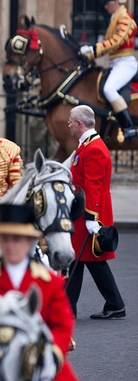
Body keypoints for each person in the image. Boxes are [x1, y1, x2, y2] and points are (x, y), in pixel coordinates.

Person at [0, 203, 78, 381]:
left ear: (28, 242)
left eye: (16, 239)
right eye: (5, 239)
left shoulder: (50, 283)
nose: (10, 245)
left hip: (38, 361)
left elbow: (62, 326)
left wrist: (49, 357)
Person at [65, 105, 125, 319]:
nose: (69, 124)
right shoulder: (87, 146)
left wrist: (92, 219)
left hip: (88, 216)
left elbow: (93, 187)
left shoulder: (94, 149)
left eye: (71, 121)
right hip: (83, 215)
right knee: (87, 261)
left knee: (78, 259)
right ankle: (115, 305)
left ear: (79, 124)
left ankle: (67, 309)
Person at [80, 0, 138, 140]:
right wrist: (89, 57)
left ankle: (129, 127)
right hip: (115, 63)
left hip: (126, 63)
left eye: (107, 3)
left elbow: (115, 42)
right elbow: (107, 46)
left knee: (109, 89)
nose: (105, 6)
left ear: (115, 2)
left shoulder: (125, 18)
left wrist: (93, 49)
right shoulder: (115, 18)